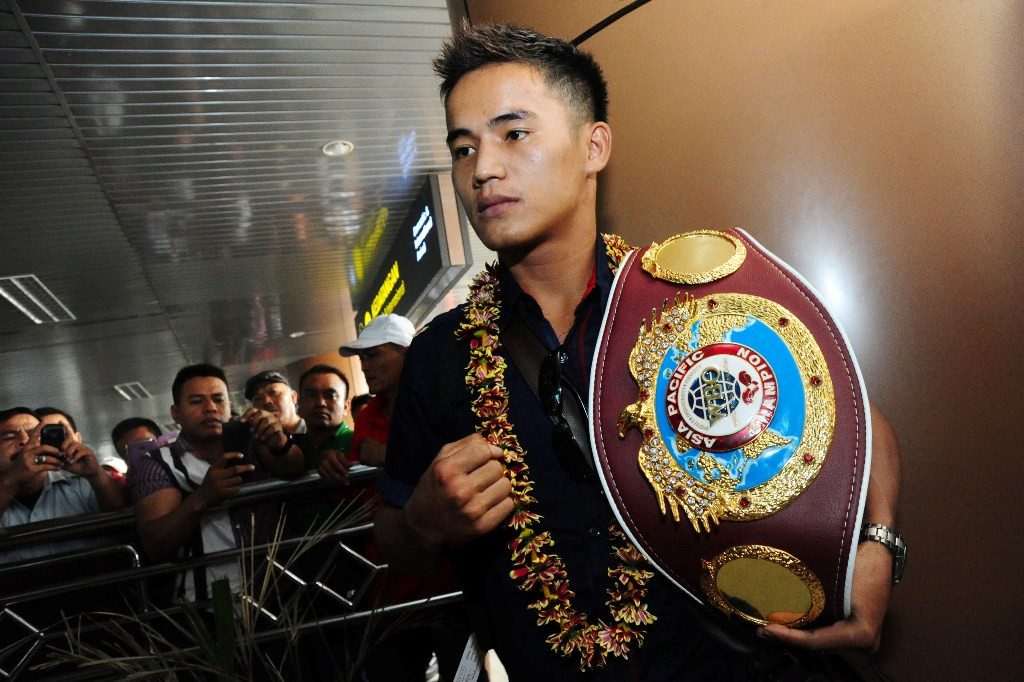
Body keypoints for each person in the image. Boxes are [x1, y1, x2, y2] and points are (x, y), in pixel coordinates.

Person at [373, 24, 902, 681]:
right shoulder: (438, 358)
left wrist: (878, 544)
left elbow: (854, 419)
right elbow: (395, 538)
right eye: (463, 147)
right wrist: (423, 522)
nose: (482, 169)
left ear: (593, 146)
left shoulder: (689, 299)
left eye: (514, 134)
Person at [127, 363, 305, 600]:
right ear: (176, 413)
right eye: (196, 401)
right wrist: (202, 498)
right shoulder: (158, 463)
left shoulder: (255, 441)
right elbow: (155, 544)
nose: (210, 408)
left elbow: (296, 468)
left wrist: (280, 442)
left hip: (280, 591)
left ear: (230, 405)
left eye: (219, 400)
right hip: (208, 601)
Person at [0, 407, 128, 564]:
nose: (25, 441)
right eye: (9, 437)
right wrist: (12, 480)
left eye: (35, 434)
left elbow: (124, 523)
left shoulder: (82, 482)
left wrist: (95, 474)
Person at [338, 313, 415, 469]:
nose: (364, 367)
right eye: (362, 358)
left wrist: (391, 456)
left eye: (373, 355)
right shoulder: (365, 417)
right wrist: (337, 463)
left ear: (406, 353)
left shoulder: (437, 403)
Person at [245, 370, 305, 435]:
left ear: (293, 397)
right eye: (257, 398)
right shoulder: (256, 439)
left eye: (273, 392)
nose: (266, 401)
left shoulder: (312, 431)